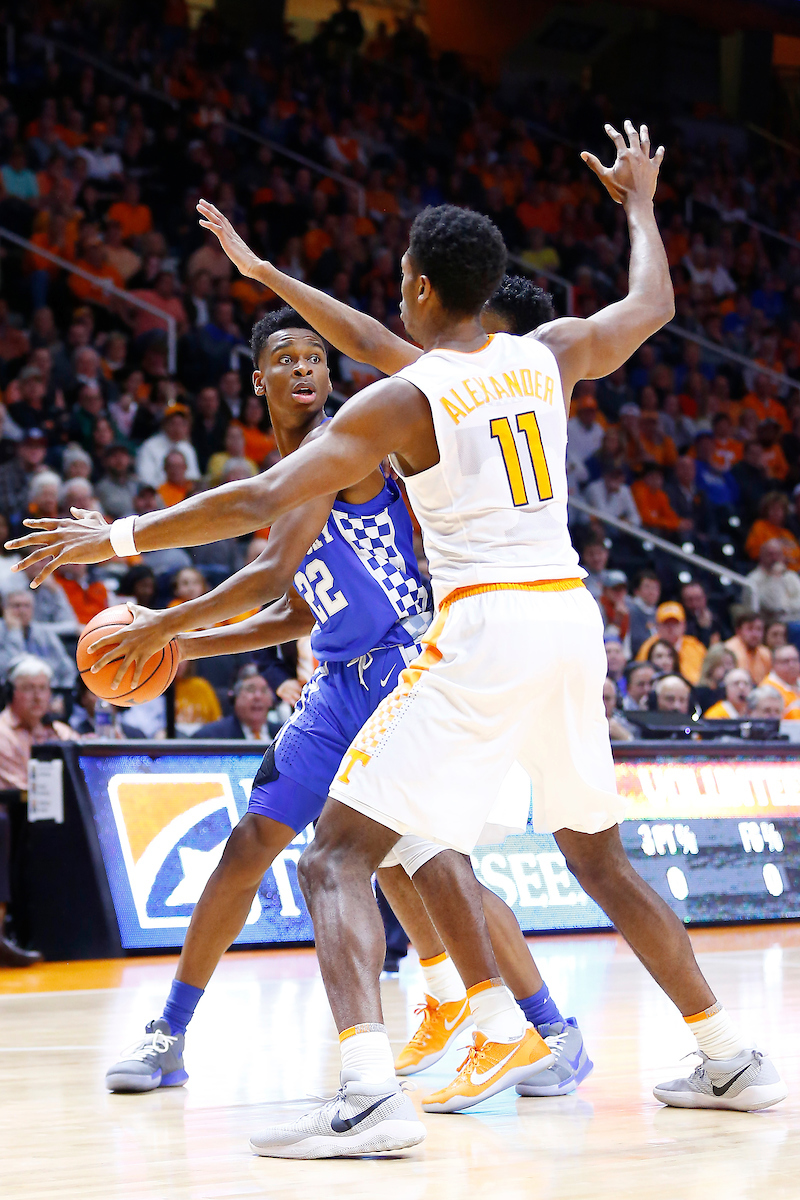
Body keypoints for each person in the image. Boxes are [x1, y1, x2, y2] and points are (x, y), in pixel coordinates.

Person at [12, 130, 786, 1145]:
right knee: (595, 860)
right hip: (569, 618)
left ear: (419, 286)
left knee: (336, 855)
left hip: (481, 625)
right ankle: (726, 1054)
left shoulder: (407, 398)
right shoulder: (548, 352)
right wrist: (638, 204)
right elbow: (651, 304)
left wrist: (114, 536)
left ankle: (373, 1095)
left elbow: (260, 497)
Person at [91, 302, 589, 1104]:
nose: (303, 367)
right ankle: (169, 1034)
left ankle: (548, 1028)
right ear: (258, 381)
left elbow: (265, 573)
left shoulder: (343, 445)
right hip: (335, 685)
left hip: (400, 669)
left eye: (315, 358)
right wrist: (184, 649)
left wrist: (165, 623)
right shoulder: (292, 469)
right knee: (250, 845)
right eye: (286, 358)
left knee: (431, 859)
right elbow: (298, 605)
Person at [0, 656, 77, 966]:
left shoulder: (59, 731)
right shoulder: (2, 732)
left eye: (43, 688)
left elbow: (83, 766)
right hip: (19, 824)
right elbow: (22, 789)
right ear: (12, 693)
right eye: (29, 688)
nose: (37, 696)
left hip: (60, 820)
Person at [0, 588, 76, 687]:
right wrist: (15, 632)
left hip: (48, 690)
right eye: (16, 606)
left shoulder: (44, 633)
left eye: (26, 606)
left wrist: (63, 691)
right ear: (5, 609)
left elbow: (66, 667)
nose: (22, 611)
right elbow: (8, 668)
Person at [635, 601, 706, 684]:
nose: (671, 628)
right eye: (666, 624)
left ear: (684, 625)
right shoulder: (648, 647)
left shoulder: (695, 646)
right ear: (657, 626)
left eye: (675, 623)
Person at [743, 539, 800, 619]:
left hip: (794, 620)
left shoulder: (790, 575)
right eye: (770, 554)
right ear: (761, 556)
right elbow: (773, 606)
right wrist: (775, 577)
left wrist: (784, 607)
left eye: (778, 554)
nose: (774, 558)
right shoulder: (753, 579)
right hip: (768, 622)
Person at [725, 612, 772, 685]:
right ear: (738, 631)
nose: (755, 634)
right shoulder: (729, 651)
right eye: (750, 629)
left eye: (759, 629)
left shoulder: (765, 653)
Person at [693, 643, 737, 714]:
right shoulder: (700, 693)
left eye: (730, 664)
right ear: (711, 666)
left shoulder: (735, 693)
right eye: (722, 664)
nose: (727, 669)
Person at [680, 581, 726, 646]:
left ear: (705, 598)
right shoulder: (681, 619)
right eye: (690, 600)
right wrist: (704, 629)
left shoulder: (715, 616)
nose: (694, 604)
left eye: (698, 599)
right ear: (683, 601)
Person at [627, 569, 660, 655]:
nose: (652, 592)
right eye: (647, 587)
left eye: (655, 588)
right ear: (636, 591)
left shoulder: (659, 613)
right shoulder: (629, 611)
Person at [763, 644, 800, 716]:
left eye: (795, 660)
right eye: (786, 661)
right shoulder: (767, 689)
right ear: (773, 664)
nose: (792, 665)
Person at [602, 676, 634, 740]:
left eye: (607, 698)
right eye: (599, 698)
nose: (602, 703)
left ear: (615, 701)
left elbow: (634, 742)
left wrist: (624, 737)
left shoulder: (625, 723)